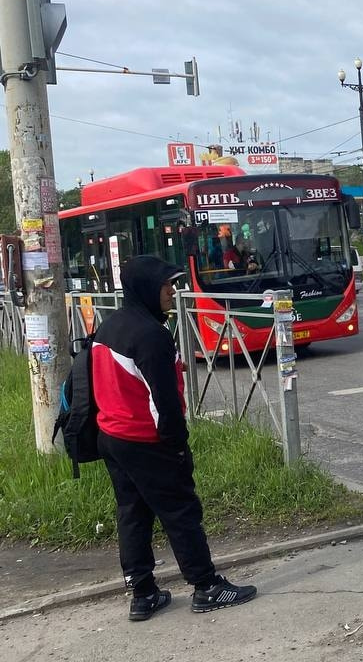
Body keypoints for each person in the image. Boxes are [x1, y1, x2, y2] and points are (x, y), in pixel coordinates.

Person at [91, 255, 257, 621]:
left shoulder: (109, 325)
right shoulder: (152, 335)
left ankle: (143, 593)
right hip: (146, 439)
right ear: (147, 287)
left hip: (112, 436)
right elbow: (164, 400)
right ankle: (207, 586)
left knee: (132, 513)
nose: (172, 291)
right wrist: (177, 446)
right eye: (166, 284)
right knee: (181, 511)